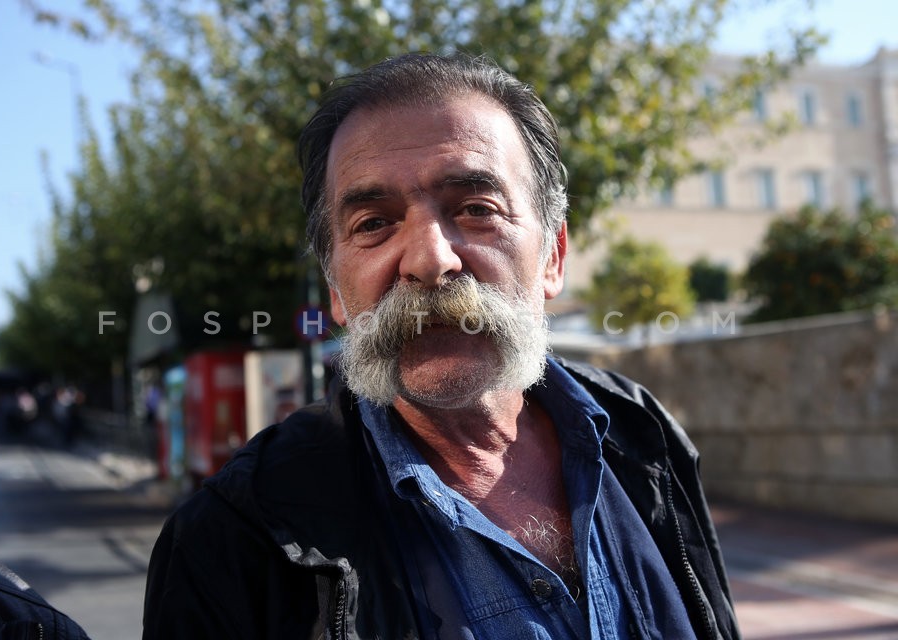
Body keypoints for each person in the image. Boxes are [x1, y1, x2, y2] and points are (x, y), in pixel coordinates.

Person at [143, 53, 741, 640]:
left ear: (554, 256)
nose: (431, 260)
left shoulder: (642, 434)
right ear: (336, 292)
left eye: (477, 209)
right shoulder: (234, 537)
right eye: (374, 223)